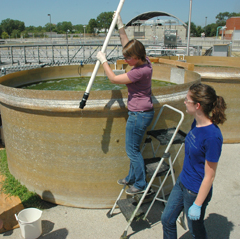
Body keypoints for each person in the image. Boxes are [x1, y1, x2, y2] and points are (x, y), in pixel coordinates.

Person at [96, 13, 154, 195]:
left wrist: (103, 61)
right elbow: (127, 44)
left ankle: (140, 184)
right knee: (133, 149)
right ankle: (131, 178)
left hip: (139, 115)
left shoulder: (139, 72)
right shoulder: (145, 61)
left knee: (132, 151)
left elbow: (113, 78)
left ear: (136, 58)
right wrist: (120, 26)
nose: (125, 60)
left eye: (128, 58)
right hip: (142, 112)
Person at [161, 83, 227, 239]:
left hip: (195, 191)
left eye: (187, 100)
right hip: (182, 182)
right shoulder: (195, 124)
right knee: (167, 219)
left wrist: (197, 204)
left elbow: (210, 176)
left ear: (197, 105)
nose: (184, 102)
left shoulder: (212, 137)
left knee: (195, 231)